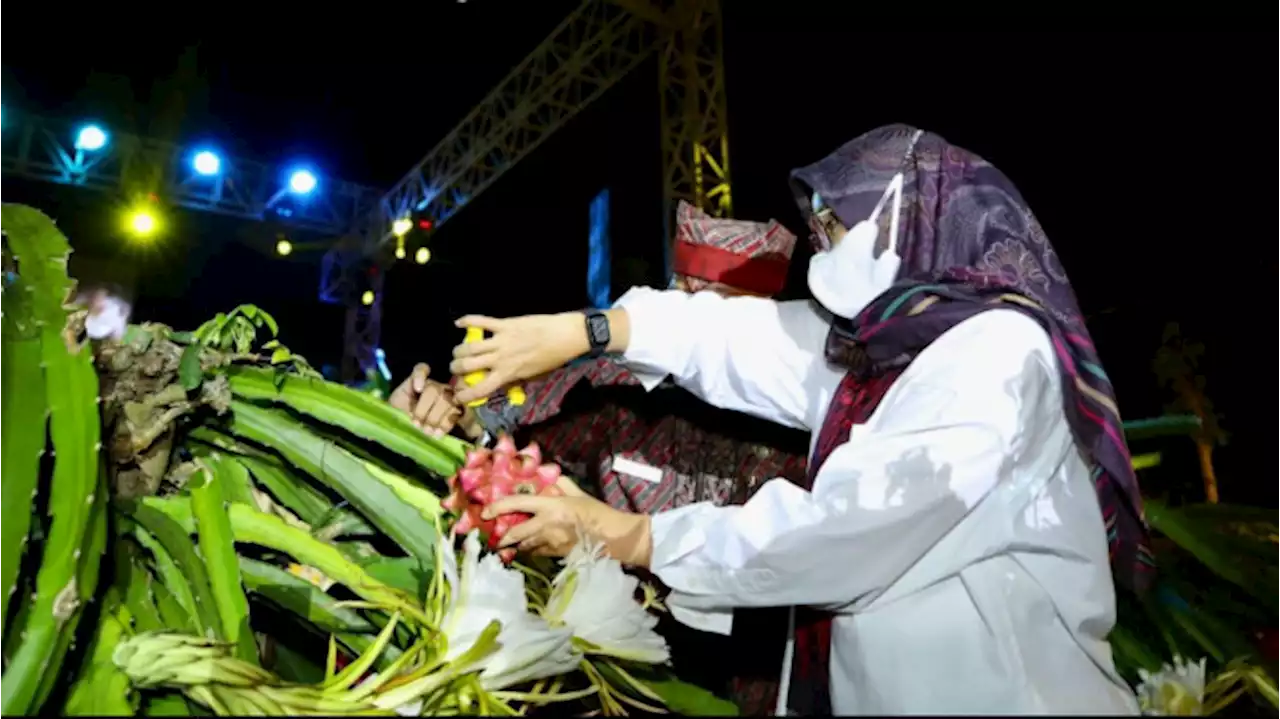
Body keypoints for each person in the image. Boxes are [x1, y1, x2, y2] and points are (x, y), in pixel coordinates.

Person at [445, 124, 1152, 714]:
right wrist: (588, 330)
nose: (823, 243)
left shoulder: (997, 353)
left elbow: (846, 530)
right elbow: (737, 340)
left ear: (913, 219)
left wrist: (629, 534)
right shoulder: (896, 342)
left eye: (838, 225)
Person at [389, 201, 807, 713]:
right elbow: (498, 420)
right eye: (691, 305)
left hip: (759, 680)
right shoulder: (618, 391)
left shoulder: (816, 427)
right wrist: (443, 409)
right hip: (619, 678)